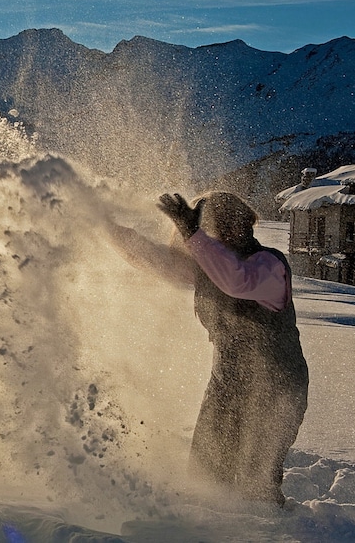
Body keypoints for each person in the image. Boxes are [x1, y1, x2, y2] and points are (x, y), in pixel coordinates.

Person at [105, 191, 308, 506]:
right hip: (228, 381)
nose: (228, 232)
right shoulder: (209, 267)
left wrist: (192, 234)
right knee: (207, 474)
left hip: (276, 384)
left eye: (212, 228)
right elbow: (154, 258)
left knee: (256, 483)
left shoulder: (268, 264)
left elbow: (235, 282)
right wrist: (102, 225)